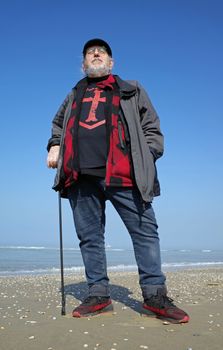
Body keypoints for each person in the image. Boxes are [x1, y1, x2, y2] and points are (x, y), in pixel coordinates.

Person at [47, 38, 189, 323]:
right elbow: (58, 125)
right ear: (83, 64)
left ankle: (154, 296)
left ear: (111, 63)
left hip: (126, 176)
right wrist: (54, 145)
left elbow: (152, 128)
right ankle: (99, 295)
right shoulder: (74, 94)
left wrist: (146, 157)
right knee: (89, 238)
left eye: (102, 52)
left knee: (145, 233)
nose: (96, 54)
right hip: (80, 178)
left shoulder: (131, 89)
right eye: (90, 53)